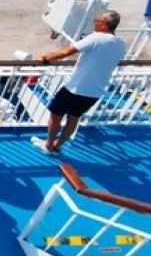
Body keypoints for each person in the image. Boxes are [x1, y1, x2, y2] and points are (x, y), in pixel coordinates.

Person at [32, 10, 126, 156]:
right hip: (95, 91)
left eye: (96, 21)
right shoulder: (120, 44)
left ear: (104, 25)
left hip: (75, 88)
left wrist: (45, 58)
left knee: (56, 116)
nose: (94, 23)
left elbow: (67, 51)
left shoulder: (96, 37)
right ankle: (57, 145)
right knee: (73, 118)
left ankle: (49, 145)